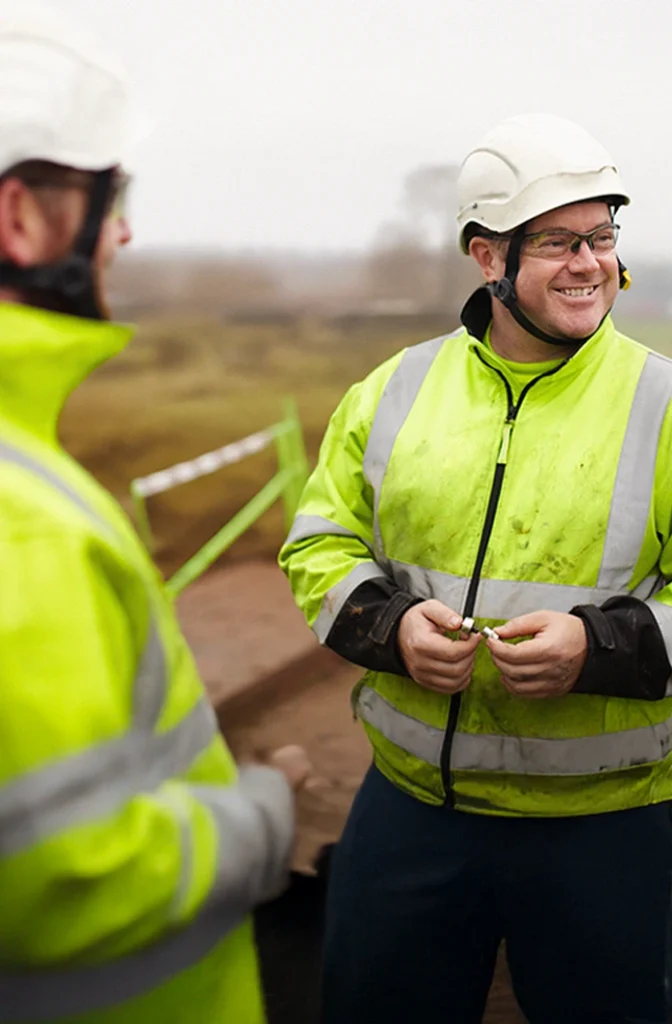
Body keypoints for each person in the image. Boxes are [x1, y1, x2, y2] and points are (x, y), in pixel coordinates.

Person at [279, 112, 672, 1024]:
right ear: (485, 256)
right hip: (410, 813)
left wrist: (598, 647)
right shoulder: (393, 390)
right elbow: (318, 544)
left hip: (604, 829)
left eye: (603, 237)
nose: (591, 264)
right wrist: (390, 630)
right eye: (557, 241)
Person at [0, 4, 309, 1022]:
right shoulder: (24, 519)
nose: (124, 229)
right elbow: (60, 874)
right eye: (110, 193)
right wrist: (263, 816)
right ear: (20, 218)